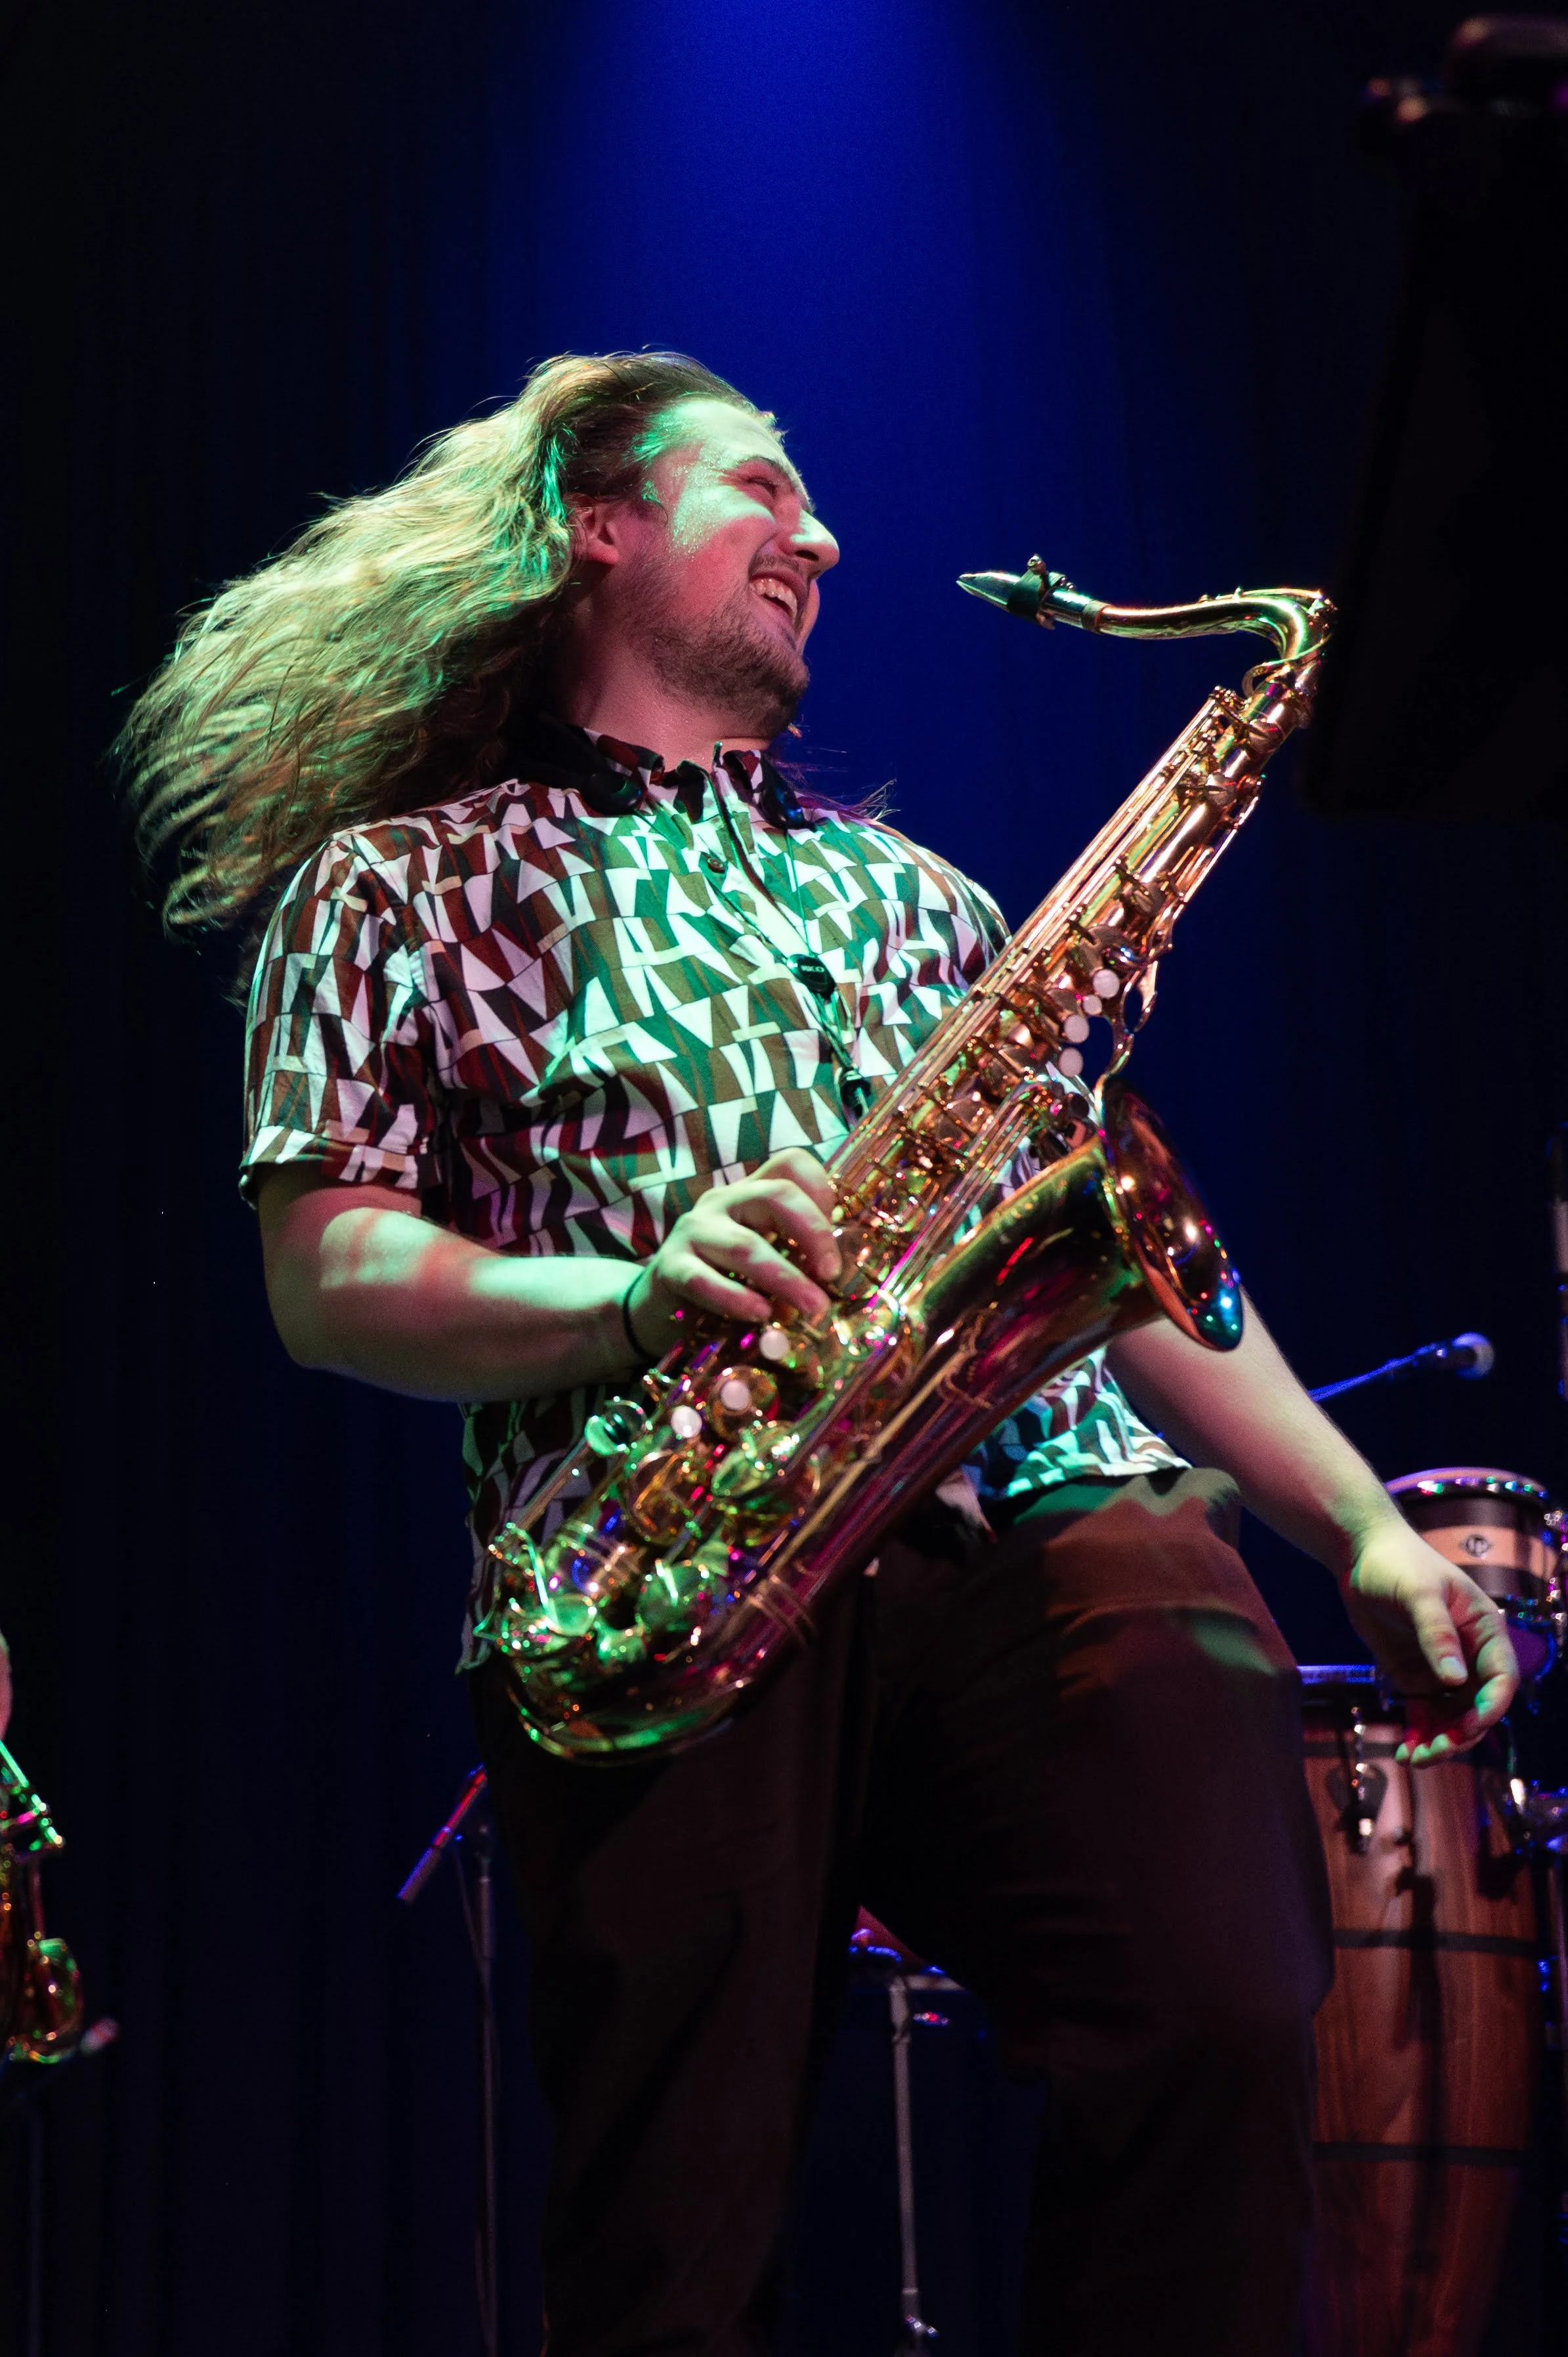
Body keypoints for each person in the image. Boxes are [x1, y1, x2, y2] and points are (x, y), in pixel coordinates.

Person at [123, 351, 1517, 2357]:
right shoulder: (395, 887)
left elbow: (1135, 1270)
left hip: (1029, 1520)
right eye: (760, 488)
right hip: (660, 1563)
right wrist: (626, 1292)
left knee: (1216, 2011)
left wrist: (1363, 1530)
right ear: (595, 523)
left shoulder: (924, 905)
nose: (822, 535)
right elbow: (327, 1274)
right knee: (674, 2241)